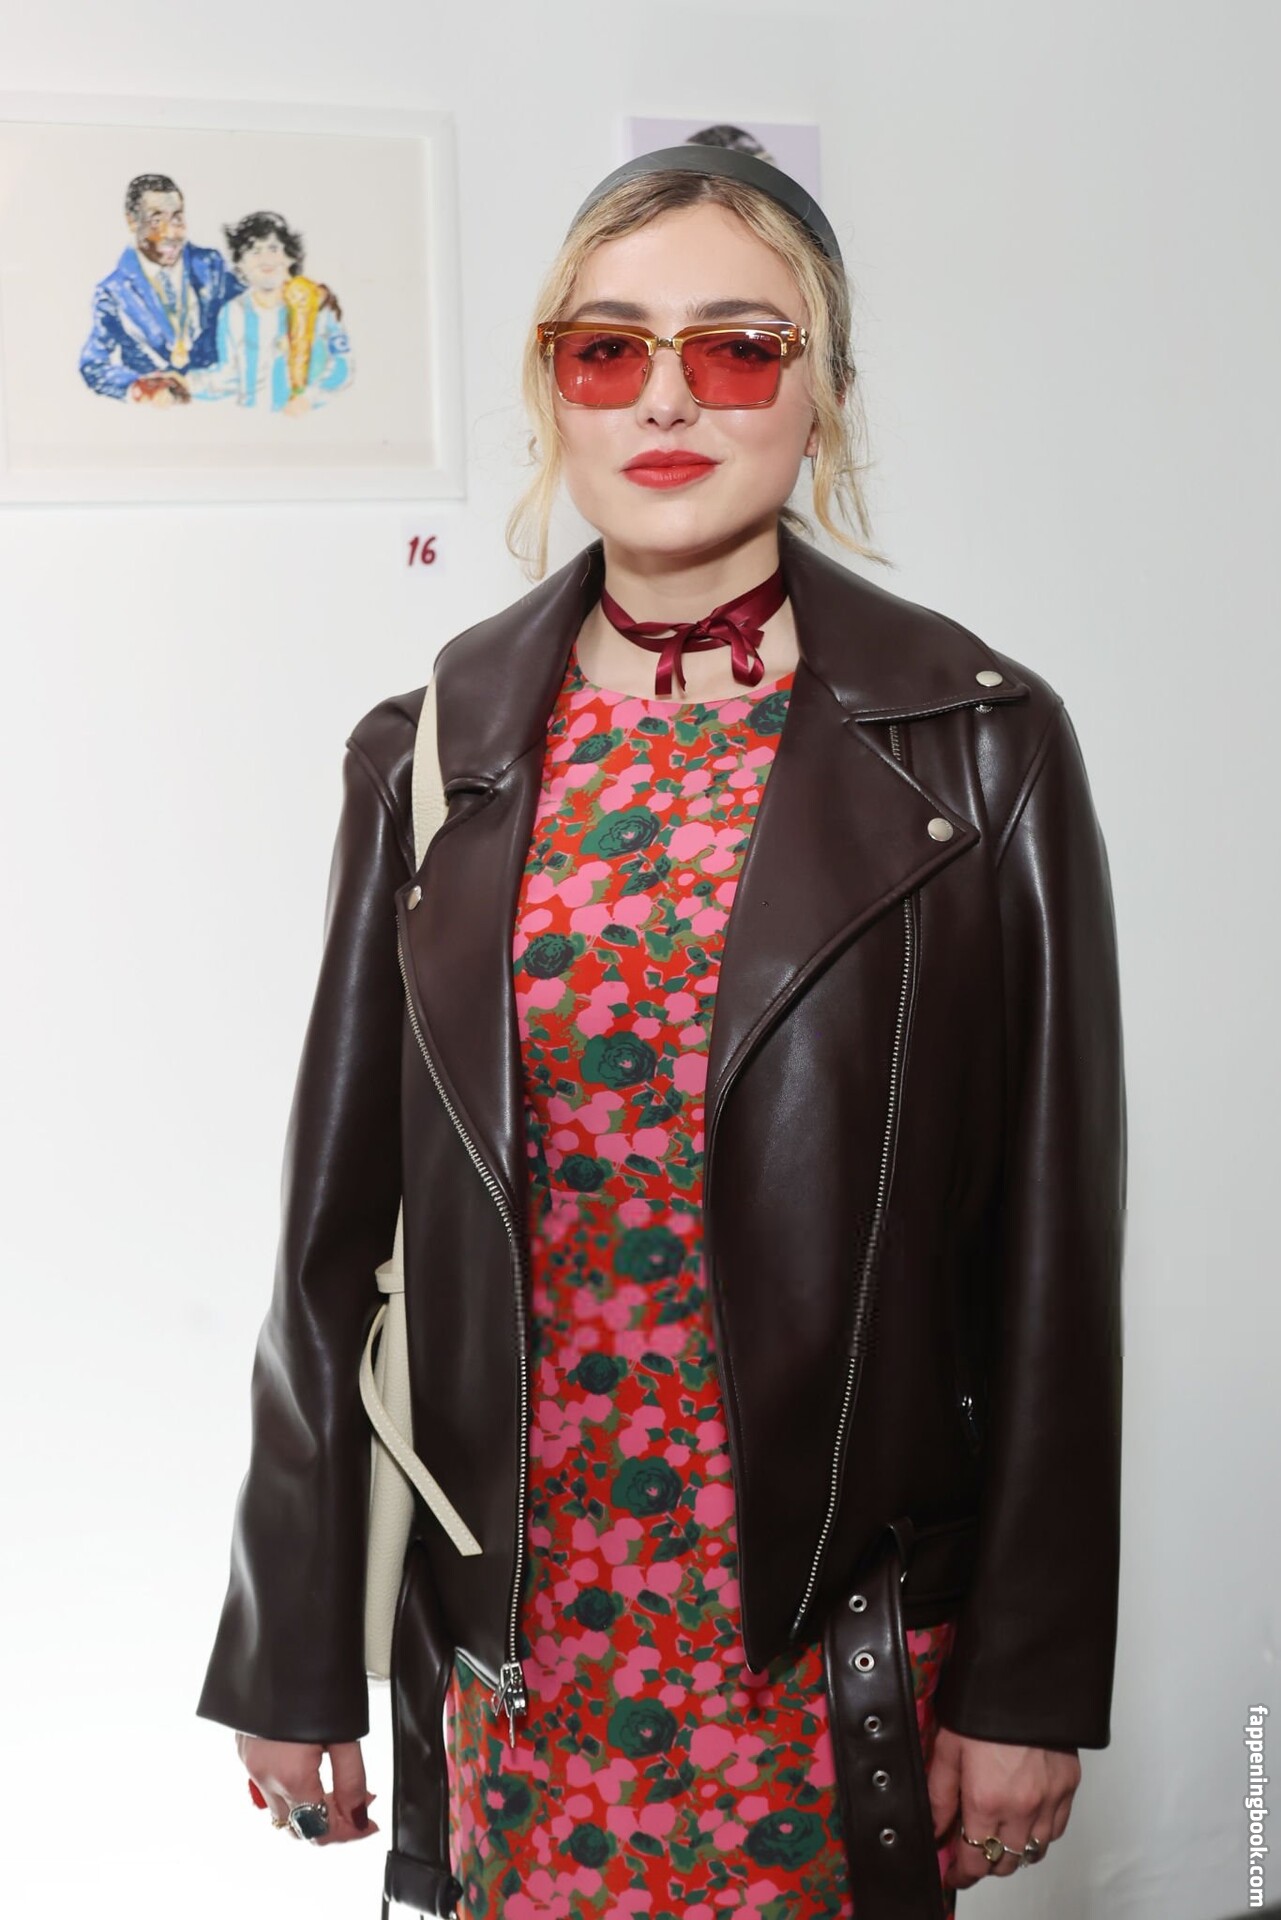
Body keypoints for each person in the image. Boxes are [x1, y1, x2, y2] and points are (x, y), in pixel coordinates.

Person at [195, 146, 1126, 1920]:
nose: (669, 397)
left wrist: (1026, 1676)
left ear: (821, 393)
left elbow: (1049, 1260)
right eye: (609, 348)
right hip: (520, 1638)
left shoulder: (980, 745)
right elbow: (334, 1238)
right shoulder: (426, 756)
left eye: (739, 346)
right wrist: (291, 1639)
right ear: (553, 389)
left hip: (825, 1637)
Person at [77, 174, 244, 404]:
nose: (171, 233)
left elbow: (254, 304)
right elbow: (93, 365)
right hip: (156, 415)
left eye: (177, 218)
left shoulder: (210, 265)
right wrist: (141, 388)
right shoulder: (113, 292)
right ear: (132, 221)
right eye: (156, 220)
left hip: (216, 404)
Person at [185, 211, 354, 414]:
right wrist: (186, 384)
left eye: (273, 249)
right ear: (240, 263)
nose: (265, 259)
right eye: (254, 251)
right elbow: (228, 376)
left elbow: (343, 366)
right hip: (250, 419)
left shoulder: (316, 303)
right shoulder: (232, 312)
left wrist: (309, 398)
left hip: (304, 419)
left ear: (290, 257)